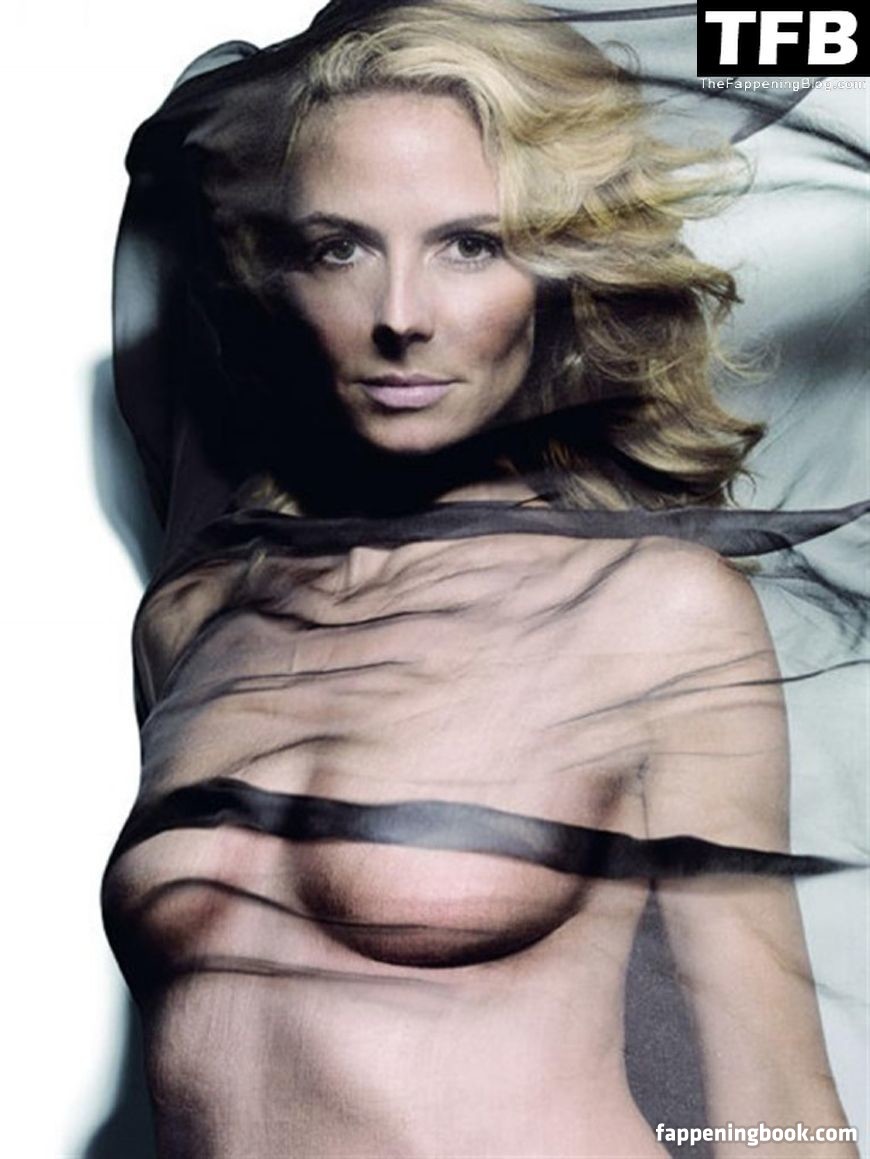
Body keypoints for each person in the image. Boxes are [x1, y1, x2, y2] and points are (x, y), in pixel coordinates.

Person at [102, 1, 865, 1155]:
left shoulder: (653, 611)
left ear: (560, 276)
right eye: (340, 246)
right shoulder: (194, 620)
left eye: (471, 244)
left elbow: (778, 1099)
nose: (400, 316)